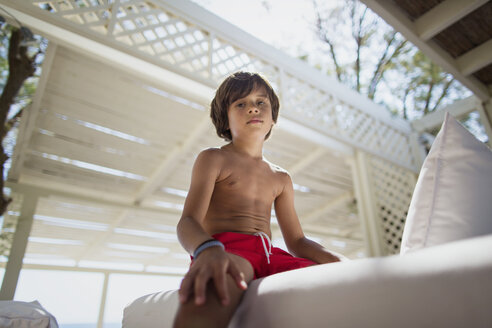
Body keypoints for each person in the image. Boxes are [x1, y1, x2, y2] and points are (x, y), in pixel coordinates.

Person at [173, 71, 342, 328]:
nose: (253, 108)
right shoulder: (213, 159)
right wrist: (206, 250)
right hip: (227, 250)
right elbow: (187, 222)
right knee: (216, 288)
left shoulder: (281, 178)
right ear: (224, 119)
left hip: (271, 255)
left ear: (272, 118)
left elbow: (296, 240)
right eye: (241, 103)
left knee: (331, 281)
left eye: (260, 102)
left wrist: (336, 260)